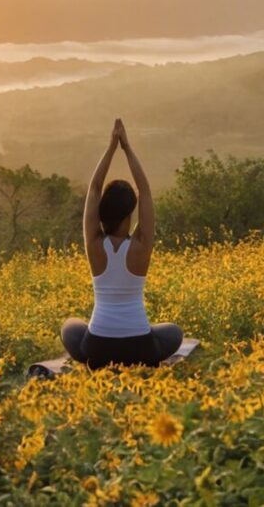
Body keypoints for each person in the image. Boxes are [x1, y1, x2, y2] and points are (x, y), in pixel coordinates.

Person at [60, 118, 183, 369]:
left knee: (70, 326)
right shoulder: (140, 245)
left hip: (97, 348)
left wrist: (110, 147)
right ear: (130, 216)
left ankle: (99, 354)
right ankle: (140, 348)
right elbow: (145, 191)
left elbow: (94, 189)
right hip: (140, 348)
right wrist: (126, 147)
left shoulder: (94, 244)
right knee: (174, 332)